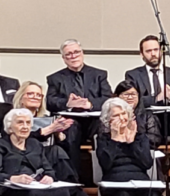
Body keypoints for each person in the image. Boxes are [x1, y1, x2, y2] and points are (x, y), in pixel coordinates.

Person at [95, 98, 163, 196]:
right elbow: (106, 164)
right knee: (123, 193)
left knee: (153, 193)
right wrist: (114, 139)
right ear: (108, 120)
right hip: (115, 178)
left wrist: (132, 142)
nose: (122, 118)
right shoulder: (103, 139)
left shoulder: (140, 137)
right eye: (116, 115)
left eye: (124, 114)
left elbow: (146, 163)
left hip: (139, 177)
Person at [45, 39, 112, 179]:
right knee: (70, 129)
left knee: (104, 130)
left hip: (94, 120)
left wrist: (89, 104)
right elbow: (50, 102)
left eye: (76, 52)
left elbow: (108, 99)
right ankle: (73, 178)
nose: (73, 56)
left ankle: (103, 176)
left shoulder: (99, 74)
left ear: (82, 53)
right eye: (68, 54)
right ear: (63, 58)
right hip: (71, 120)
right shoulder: (55, 78)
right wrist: (68, 104)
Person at [0, 108, 81, 196]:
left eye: (28, 123)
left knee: (63, 192)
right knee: (35, 195)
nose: (25, 127)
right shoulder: (2, 145)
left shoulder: (35, 144)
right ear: (10, 126)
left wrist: (49, 177)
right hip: (10, 187)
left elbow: (49, 169)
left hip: (34, 184)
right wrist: (13, 178)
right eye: (20, 123)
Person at [12, 81, 81, 185]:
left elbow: (65, 149)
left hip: (47, 157)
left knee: (58, 150)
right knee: (55, 151)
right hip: (23, 157)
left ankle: (70, 186)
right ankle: (72, 187)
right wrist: (48, 130)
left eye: (39, 95)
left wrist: (59, 135)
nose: (35, 97)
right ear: (21, 98)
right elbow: (18, 140)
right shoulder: (12, 119)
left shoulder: (48, 119)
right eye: (30, 94)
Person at [125, 35, 170, 142]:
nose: (153, 54)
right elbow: (133, 100)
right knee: (148, 120)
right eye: (149, 51)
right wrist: (157, 98)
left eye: (156, 50)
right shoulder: (133, 75)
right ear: (142, 54)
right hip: (147, 120)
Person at [113, 80, 162, 149]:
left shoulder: (148, 116)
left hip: (141, 151)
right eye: (126, 94)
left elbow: (155, 139)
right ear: (117, 96)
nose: (130, 98)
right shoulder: (111, 116)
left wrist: (132, 137)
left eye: (133, 94)